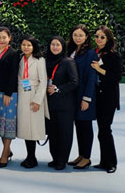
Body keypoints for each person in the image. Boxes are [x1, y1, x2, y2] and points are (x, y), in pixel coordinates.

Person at [67, 24, 98, 169]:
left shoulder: (91, 53)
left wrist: (87, 98)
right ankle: (81, 154)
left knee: (85, 126)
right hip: (73, 95)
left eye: (81, 35)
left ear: (86, 37)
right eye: (75, 35)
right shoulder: (72, 51)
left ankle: (87, 157)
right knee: (78, 125)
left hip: (84, 95)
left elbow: (92, 77)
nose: (77, 38)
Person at [91, 25, 121, 174]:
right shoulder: (95, 53)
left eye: (102, 37)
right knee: (102, 131)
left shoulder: (112, 55)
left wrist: (99, 69)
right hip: (98, 97)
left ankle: (111, 162)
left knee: (105, 130)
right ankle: (104, 161)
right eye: (97, 36)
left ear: (108, 39)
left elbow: (116, 77)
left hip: (108, 98)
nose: (99, 39)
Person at [45, 36, 78, 170]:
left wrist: (58, 89)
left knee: (64, 133)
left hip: (65, 105)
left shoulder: (68, 62)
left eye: (58, 45)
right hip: (50, 104)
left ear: (63, 47)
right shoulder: (47, 61)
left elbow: (74, 82)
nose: (55, 47)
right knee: (53, 133)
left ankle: (62, 160)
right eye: (53, 44)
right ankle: (55, 158)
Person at [17, 35, 48, 169]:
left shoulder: (39, 60)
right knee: (25, 128)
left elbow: (43, 81)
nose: (26, 47)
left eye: (29, 45)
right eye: (24, 45)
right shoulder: (21, 59)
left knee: (33, 128)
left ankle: (32, 157)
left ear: (34, 46)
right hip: (22, 95)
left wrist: (37, 100)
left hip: (34, 95)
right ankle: (29, 156)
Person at [0, 27, 19, 167]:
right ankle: (7, 150)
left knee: (8, 121)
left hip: (8, 93)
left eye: (4, 37)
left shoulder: (13, 53)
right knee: (0, 122)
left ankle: (4, 153)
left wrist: (8, 93)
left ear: (9, 38)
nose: (1, 40)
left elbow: (14, 74)